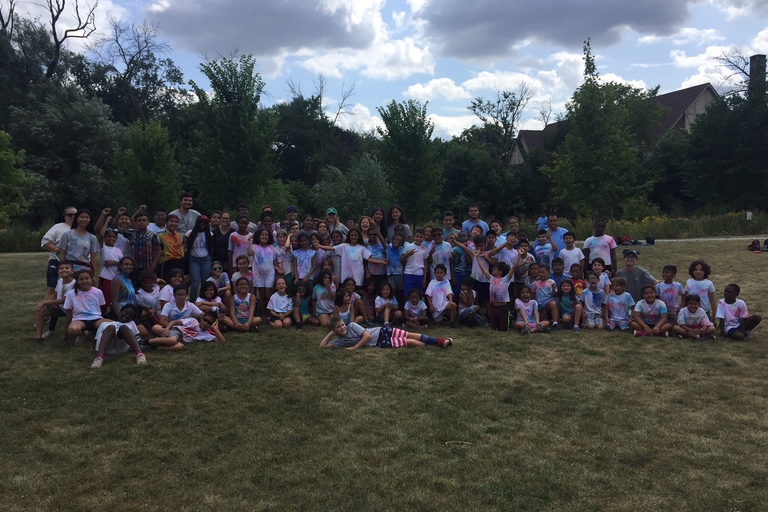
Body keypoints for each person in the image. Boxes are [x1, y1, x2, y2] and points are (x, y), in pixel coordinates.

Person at [319, 316, 453, 350]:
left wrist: (355, 348)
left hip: (382, 331)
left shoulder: (352, 325)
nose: (343, 328)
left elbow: (367, 336)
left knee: (410, 334)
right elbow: (322, 347)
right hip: (380, 342)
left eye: (342, 324)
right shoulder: (340, 341)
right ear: (335, 330)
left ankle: (439, 341)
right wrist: (331, 334)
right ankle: (436, 345)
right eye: (338, 327)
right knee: (409, 342)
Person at [90, 304, 147, 368]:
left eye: (130, 316)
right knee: (111, 328)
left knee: (123, 328)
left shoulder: (131, 324)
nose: (127, 316)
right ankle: (99, 358)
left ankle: (140, 355)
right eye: (126, 312)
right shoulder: (104, 324)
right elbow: (96, 339)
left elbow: (136, 337)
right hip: (106, 348)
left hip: (121, 348)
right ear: (120, 311)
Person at [40, 206, 77, 299]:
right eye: (70, 215)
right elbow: (45, 241)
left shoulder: (80, 229)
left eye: (75, 215)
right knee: (52, 287)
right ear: (65, 216)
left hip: (73, 261)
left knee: (73, 286)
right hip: (56, 260)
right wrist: (56, 249)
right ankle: (46, 310)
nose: (73, 217)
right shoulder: (58, 227)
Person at [34, 261, 75, 342]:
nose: (64, 270)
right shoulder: (60, 281)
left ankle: (66, 334)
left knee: (68, 328)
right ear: (58, 272)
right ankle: (39, 337)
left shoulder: (73, 284)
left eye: (67, 268)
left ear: (72, 271)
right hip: (60, 307)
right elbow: (55, 294)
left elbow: (64, 300)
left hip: (71, 310)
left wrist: (46, 302)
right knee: (40, 311)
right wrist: (46, 303)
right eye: (61, 268)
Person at [63, 269, 108, 343]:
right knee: (72, 329)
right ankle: (84, 334)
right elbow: (69, 314)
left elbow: (101, 308)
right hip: (79, 319)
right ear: (77, 281)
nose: (84, 281)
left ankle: (95, 332)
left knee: (113, 325)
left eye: (87, 278)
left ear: (91, 279)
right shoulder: (71, 294)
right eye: (81, 279)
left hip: (96, 318)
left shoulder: (98, 292)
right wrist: (65, 333)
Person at [148, 309, 225, 351]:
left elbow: (222, 341)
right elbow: (174, 322)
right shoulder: (193, 321)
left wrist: (213, 327)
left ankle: (153, 347)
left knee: (180, 346)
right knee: (172, 340)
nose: (205, 323)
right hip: (177, 332)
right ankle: (147, 342)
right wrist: (167, 329)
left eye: (209, 322)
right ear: (201, 319)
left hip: (181, 340)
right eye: (205, 320)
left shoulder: (206, 334)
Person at [186, 215, 213, 301]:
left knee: (205, 282)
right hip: (194, 259)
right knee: (195, 283)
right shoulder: (189, 233)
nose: (203, 224)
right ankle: (192, 302)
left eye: (205, 223)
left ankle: (204, 301)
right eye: (201, 222)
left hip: (206, 259)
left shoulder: (210, 234)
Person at [482, 261, 515, 332]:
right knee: (494, 326)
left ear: (500, 272)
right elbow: (483, 268)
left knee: (503, 328)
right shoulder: (491, 279)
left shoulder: (506, 279)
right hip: (493, 307)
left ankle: (509, 320)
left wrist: (519, 255)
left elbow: (514, 268)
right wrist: (477, 257)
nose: (492, 269)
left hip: (503, 307)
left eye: (495, 268)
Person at [425, 264, 457, 328]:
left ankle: (451, 322)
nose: (439, 274)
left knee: (453, 305)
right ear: (434, 273)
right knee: (438, 324)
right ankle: (443, 317)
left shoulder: (446, 281)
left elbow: (449, 292)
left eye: (441, 273)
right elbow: (428, 295)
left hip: (444, 303)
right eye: (437, 273)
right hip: (435, 305)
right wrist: (431, 305)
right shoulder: (432, 282)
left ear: (445, 274)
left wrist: (450, 301)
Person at [98, 228, 123, 309]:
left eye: (113, 237)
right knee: (105, 299)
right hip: (106, 277)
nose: (111, 239)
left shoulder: (118, 250)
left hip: (116, 278)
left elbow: (122, 264)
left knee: (115, 299)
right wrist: (107, 220)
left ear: (116, 239)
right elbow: (101, 235)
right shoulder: (103, 248)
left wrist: (114, 262)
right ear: (105, 237)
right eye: (109, 236)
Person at [531, 263, 560, 331]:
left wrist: (553, 289)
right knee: (542, 320)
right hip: (539, 304)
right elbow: (533, 293)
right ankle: (546, 324)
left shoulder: (551, 282)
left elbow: (553, 295)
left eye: (543, 272)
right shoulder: (537, 282)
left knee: (553, 303)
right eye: (540, 272)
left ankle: (555, 323)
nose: (541, 274)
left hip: (548, 302)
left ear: (548, 273)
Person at [401, 228, 429, 295]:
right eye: (417, 236)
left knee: (417, 293)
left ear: (424, 238)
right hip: (409, 273)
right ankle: (407, 305)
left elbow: (425, 264)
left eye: (421, 237)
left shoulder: (424, 249)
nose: (419, 238)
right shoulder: (409, 246)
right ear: (414, 237)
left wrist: (424, 278)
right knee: (408, 293)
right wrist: (408, 254)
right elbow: (402, 259)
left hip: (419, 274)